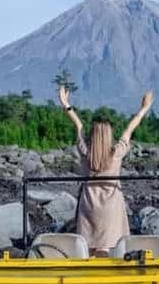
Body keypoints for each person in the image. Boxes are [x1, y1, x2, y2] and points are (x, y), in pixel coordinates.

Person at [58, 85, 154, 256]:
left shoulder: (85, 151)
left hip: (89, 206)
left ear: (92, 135)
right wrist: (144, 108)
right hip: (111, 207)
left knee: (90, 250)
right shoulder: (116, 153)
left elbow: (78, 125)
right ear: (109, 135)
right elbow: (130, 128)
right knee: (108, 250)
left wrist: (65, 103)